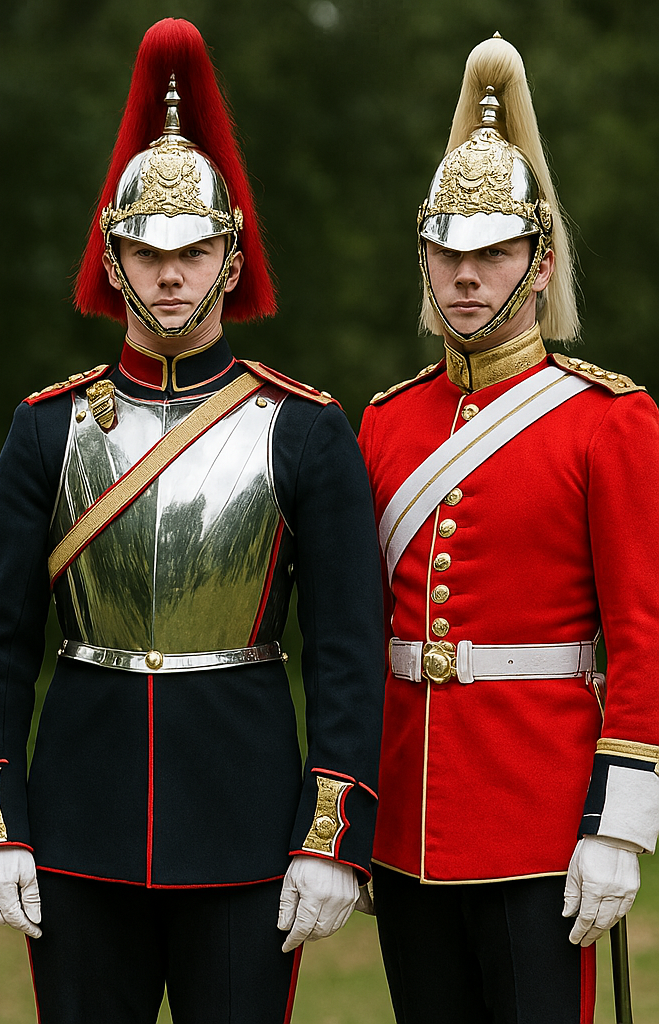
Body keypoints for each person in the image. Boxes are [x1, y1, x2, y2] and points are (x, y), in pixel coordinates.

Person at [0, 19, 385, 1022]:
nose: (173, 274)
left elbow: (349, 653)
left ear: (233, 260)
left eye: (196, 251)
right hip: (77, 823)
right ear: (114, 259)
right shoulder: (46, 426)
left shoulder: (305, 430)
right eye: (148, 251)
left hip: (246, 824)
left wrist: (332, 832)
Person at [359, 34, 659, 1022]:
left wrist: (621, 825)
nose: (466, 276)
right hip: (406, 824)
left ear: (539, 264)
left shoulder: (608, 419)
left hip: (542, 824)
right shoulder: (385, 423)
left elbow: (643, 637)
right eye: (446, 252)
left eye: (491, 253)